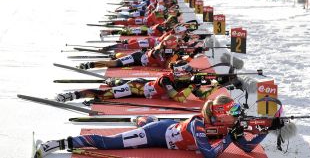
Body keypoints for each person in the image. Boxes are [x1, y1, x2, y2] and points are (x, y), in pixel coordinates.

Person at [35, 95, 272, 158]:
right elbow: (209, 154)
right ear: (220, 115)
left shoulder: (223, 126)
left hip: (170, 127)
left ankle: (142, 119)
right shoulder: (200, 125)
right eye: (233, 112)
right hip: (156, 136)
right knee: (111, 143)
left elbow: (248, 148)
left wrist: (263, 130)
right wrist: (230, 136)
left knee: (151, 121)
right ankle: (55, 144)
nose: (237, 116)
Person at [56, 61, 219, 103]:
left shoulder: (186, 81)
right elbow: (178, 98)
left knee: (117, 85)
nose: (191, 75)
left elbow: (203, 96)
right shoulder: (167, 80)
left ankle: (114, 81)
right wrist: (191, 85)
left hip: (145, 85)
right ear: (181, 73)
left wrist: (216, 86)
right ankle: (73, 94)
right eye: (189, 73)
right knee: (105, 95)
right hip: (137, 88)